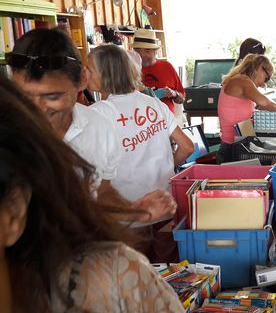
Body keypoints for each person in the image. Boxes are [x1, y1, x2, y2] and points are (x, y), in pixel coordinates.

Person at [0, 76, 212, 313]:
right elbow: (186, 147)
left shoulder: (113, 285)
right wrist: (161, 179)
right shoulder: (144, 105)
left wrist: (138, 205)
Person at [7, 28, 175, 224]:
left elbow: (102, 191)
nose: (36, 109)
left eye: (52, 96)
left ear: (82, 80)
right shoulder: (9, 134)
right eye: (24, 96)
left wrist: (133, 212)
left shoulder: (100, 126)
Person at [87, 44, 194, 263]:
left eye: (89, 68)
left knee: (136, 283)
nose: (84, 73)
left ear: (105, 73)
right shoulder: (154, 103)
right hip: (165, 208)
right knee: (170, 277)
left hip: (128, 215)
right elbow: (187, 147)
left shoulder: (98, 114)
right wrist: (166, 165)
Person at [216, 53, 276, 163]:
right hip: (232, 150)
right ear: (260, 68)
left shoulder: (239, 80)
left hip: (233, 146)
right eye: (266, 78)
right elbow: (265, 103)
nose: (264, 84)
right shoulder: (242, 81)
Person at [133, 28, 184, 114]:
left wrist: (174, 94)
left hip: (166, 120)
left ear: (155, 52)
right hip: (139, 120)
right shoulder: (128, 70)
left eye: (147, 51)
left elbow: (181, 99)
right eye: (138, 51)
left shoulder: (167, 67)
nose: (142, 55)